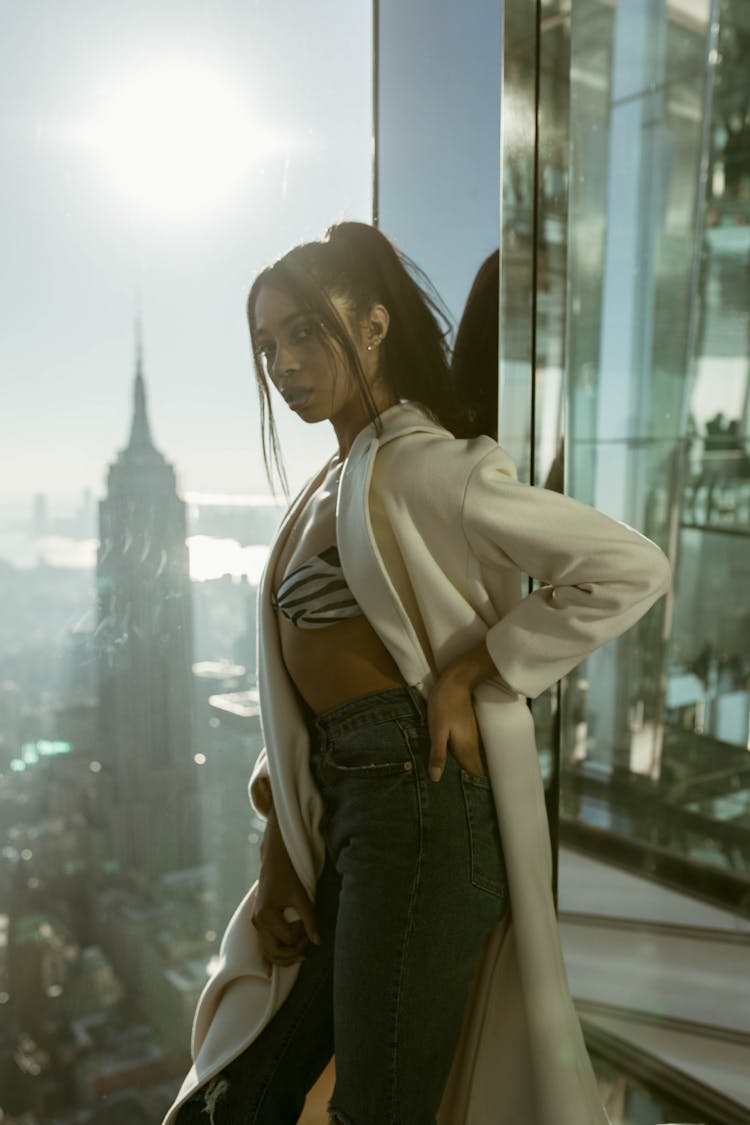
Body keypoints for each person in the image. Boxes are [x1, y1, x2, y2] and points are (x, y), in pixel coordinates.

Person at [164, 222, 671, 1125]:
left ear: (373, 326)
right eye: (268, 344)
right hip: (339, 806)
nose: (283, 363)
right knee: (237, 1095)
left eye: (305, 332)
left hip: (420, 804)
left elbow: (629, 568)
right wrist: (279, 848)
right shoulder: (326, 484)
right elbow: (298, 708)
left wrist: (481, 666)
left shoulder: (426, 463)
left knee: (377, 1109)